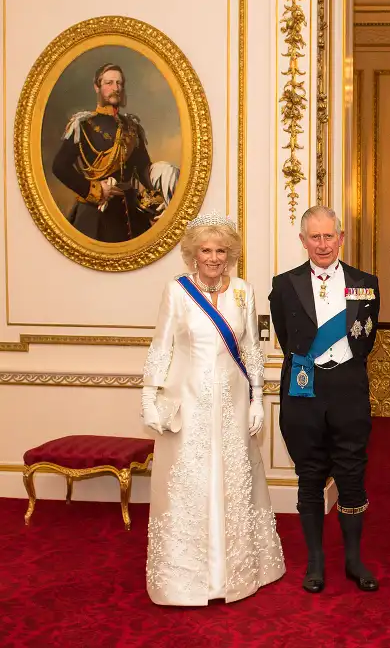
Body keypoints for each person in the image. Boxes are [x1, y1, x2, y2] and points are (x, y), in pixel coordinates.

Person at [141, 211, 285, 606]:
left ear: (230, 254)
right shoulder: (177, 291)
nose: (213, 257)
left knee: (235, 479)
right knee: (191, 482)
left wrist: (257, 398)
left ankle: (235, 573)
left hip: (234, 401)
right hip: (188, 401)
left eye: (221, 250)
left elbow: (252, 350)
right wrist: (148, 397)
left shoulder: (243, 291)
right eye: (206, 249)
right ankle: (188, 579)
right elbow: (161, 347)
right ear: (192, 254)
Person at [269, 205, 380, 593]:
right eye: (314, 237)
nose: (322, 244)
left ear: (341, 238)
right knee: (310, 476)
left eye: (328, 235)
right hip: (304, 391)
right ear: (303, 241)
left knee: (352, 476)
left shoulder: (366, 283)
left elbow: (366, 339)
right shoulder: (284, 285)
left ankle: (353, 560)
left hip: (348, 391)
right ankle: (315, 562)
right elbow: (286, 337)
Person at [52, 63, 164, 242]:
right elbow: (59, 167)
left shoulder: (133, 128)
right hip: (94, 214)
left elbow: (143, 171)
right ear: (97, 86)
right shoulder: (83, 125)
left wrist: (160, 202)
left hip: (131, 214)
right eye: (109, 83)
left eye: (119, 83)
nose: (116, 88)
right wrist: (95, 190)